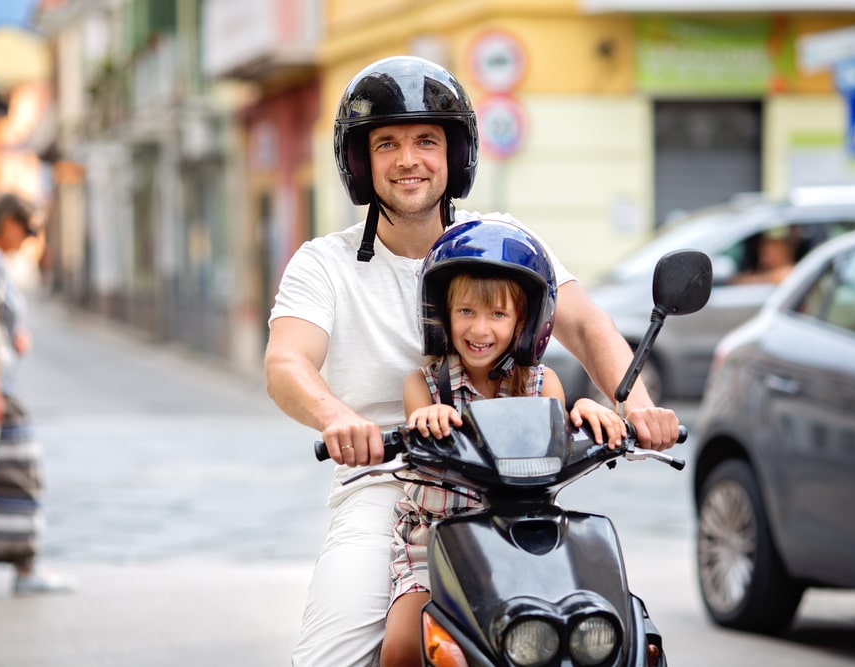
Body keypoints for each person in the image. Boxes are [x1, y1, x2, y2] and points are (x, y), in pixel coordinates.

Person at [264, 55, 679, 666]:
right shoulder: (323, 263)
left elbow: (587, 325)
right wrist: (337, 419)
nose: (409, 160)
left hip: (517, 485)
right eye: (388, 144)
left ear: (455, 155)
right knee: (332, 655)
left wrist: (637, 408)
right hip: (391, 485)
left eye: (426, 141)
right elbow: (287, 363)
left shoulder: (498, 241)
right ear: (360, 162)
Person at [380, 220, 628, 666]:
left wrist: (588, 415)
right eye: (466, 312)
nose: (481, 329)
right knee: (402, 646)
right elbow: (419, 420)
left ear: (522, 322)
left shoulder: (542, 382)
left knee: (603, 632)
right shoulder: (424, 385)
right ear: (443, 314)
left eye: (498, 314)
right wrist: (427, 419)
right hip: (437, 541)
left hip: (524, 537)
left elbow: (558, 435)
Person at [0, 192, 77, 596]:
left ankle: (26, 565)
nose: (30, 239)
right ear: (8, 222)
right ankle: (27, 570)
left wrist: (14, 334)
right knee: (20, 478)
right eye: (29, 229)